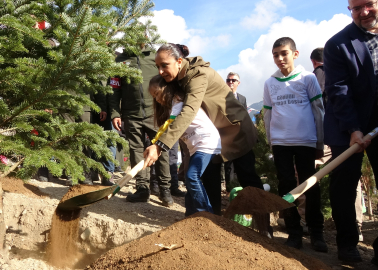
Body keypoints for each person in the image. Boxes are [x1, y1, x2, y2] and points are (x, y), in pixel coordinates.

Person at [142, 43, 264, 216]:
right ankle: (209, 226)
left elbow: (189, 111)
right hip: (211, 137)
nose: (160, 71)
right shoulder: (175, 80)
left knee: (248, 179)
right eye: (157, 67)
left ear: (179, 61)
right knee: (208, 182)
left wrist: (160, 145)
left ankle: (264, 226)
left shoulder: (197, 75)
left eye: (164, 65)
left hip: (234, 130)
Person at [324, 0, 378, 267]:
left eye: (368, 4)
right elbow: (339, 91)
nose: (363, 12)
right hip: (348, 116)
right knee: (344, 183)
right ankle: (347, 244)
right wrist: (354, 129)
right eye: (355, 8)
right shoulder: (338, 44)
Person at [263, 37, 327, 252]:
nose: (280, 58)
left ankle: (317, 233)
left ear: (295, 54)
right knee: (286, 186)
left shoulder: (308, 78)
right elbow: (268, 114)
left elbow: (318, 110)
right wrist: (271, 141)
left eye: (284, 53)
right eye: (275, 55)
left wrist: (319, 141)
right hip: (281, 143)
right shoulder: (269, 83)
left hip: (306, 141)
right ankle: (294, 232)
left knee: (311, 186)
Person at [109, 47, 175, 207]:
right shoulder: (119, 60)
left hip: (156, 112)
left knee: (162, 148)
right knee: (136, 150)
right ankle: (142, 189)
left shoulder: (155, 56)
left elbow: (169, 79)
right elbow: (114, 89)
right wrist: (115, 113)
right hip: (131, 114)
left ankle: (165, 189)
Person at [149, 75, 221, 215]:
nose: (156, 99)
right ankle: (190, 216)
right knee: (191, 181)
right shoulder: (172, 108)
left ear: (167, 89)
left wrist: (156, 145)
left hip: (207, 142)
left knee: (192, 176)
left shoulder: (179, 103)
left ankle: (206, 214)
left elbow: (170, 126)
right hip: (195, 147)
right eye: (154, 97)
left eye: (157, 94)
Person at [224, 72, 247, 192]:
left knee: (241, 164)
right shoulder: (221, 96)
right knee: (229, 165)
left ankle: (240, 191)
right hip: (227, 134)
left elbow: (245, 116)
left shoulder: (242, 98)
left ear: (239, 82)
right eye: (228, 80)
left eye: (233, 80)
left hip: (240, 135)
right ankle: (229, 192)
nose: (230, 82)